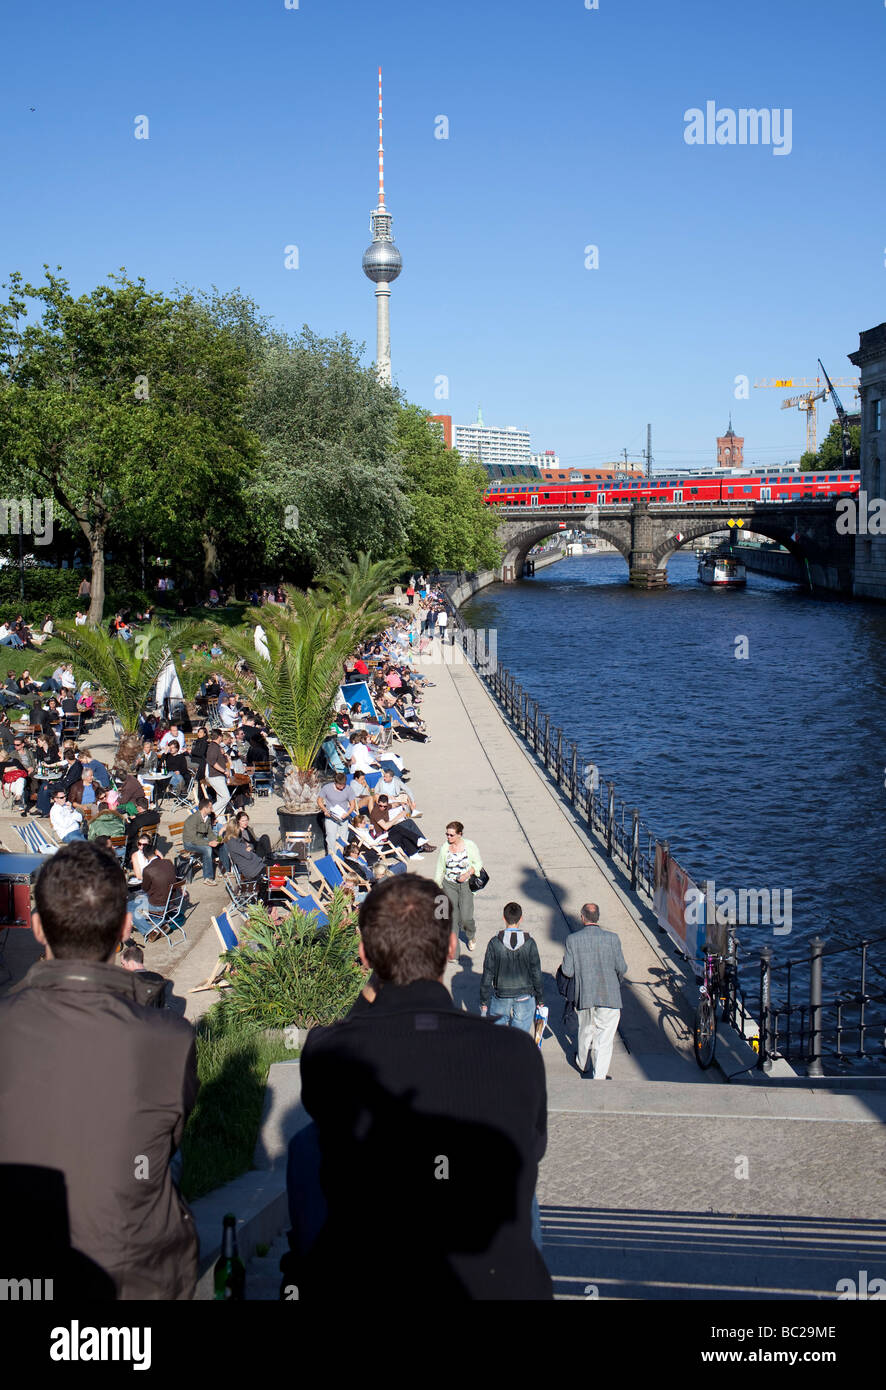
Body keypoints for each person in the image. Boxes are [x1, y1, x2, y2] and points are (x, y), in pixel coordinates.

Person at [284, 874, 552, 1301]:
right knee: (520, 1176)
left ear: (364, 954)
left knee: (307, 1146)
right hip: (501, 1285)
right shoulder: (517, 1053)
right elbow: (532, 1148)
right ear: (450, 948)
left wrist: (376, 978)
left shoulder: (326, 1053)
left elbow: (356, 1026)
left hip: (368, 1273)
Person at [0, 841, 197, 1297]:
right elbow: (168, 1142)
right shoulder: (170, 1039)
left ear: (35, 928)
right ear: (125, 927)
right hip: (137, 1278)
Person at [559, 902, 627, 1080]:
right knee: (604, 1039)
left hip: (584, 995)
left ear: (582, 918)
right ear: (598, 918)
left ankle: (583, 1062)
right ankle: (600, 1076)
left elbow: (567, 971)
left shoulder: (573, 940)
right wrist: (615, 981)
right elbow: (622, 967)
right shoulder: (613, 939)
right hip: (609, 996)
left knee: (585, 1030)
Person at [480, 903, 544, 1032]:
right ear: (521, 919)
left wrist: (484, 1001)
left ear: (504, 918)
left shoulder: (495, 943)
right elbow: (536, 973)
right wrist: (540, 998)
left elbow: (488, 973)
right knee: (519, 1037)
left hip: (501, 994)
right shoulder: (530, 943)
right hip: (525, 995)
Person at [433, 821, 484, 953]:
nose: (448, 837)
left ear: (460, 834)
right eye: (447, 834)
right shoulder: (445, 848)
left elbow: (478, 864)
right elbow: (440, 869)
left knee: (466, 918)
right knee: (453, 918)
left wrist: (467, 873)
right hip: (449, 885)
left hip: (466, 885)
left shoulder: (470, 846)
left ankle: (471, 936)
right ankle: (454, 953)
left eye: (451, 835)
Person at [317, 771, 357, 856]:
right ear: (335, 782)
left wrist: (347, 813)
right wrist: (325, 810)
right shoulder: (327, 788)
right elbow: (319, 801)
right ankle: (331, 856)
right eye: (340, 785)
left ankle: (341, 856)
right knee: (331, 838)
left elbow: (352, 805)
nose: (342, 787)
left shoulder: (348, 789)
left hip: (343, 817)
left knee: (343, 838)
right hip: (331, 816)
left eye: (343, 785)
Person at [182, 798, 219, 882]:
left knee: (222, 844)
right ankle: (208, 877)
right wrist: (209, 843)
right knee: (207, 849)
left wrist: (217, 840)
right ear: (205, 808)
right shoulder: (193, 819)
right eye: (210, 807)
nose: (212, 809)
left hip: (200, 840)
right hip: (189, 843)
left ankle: (226, 870)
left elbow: (210, 832)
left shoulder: (207, 818)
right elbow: (193, 839)